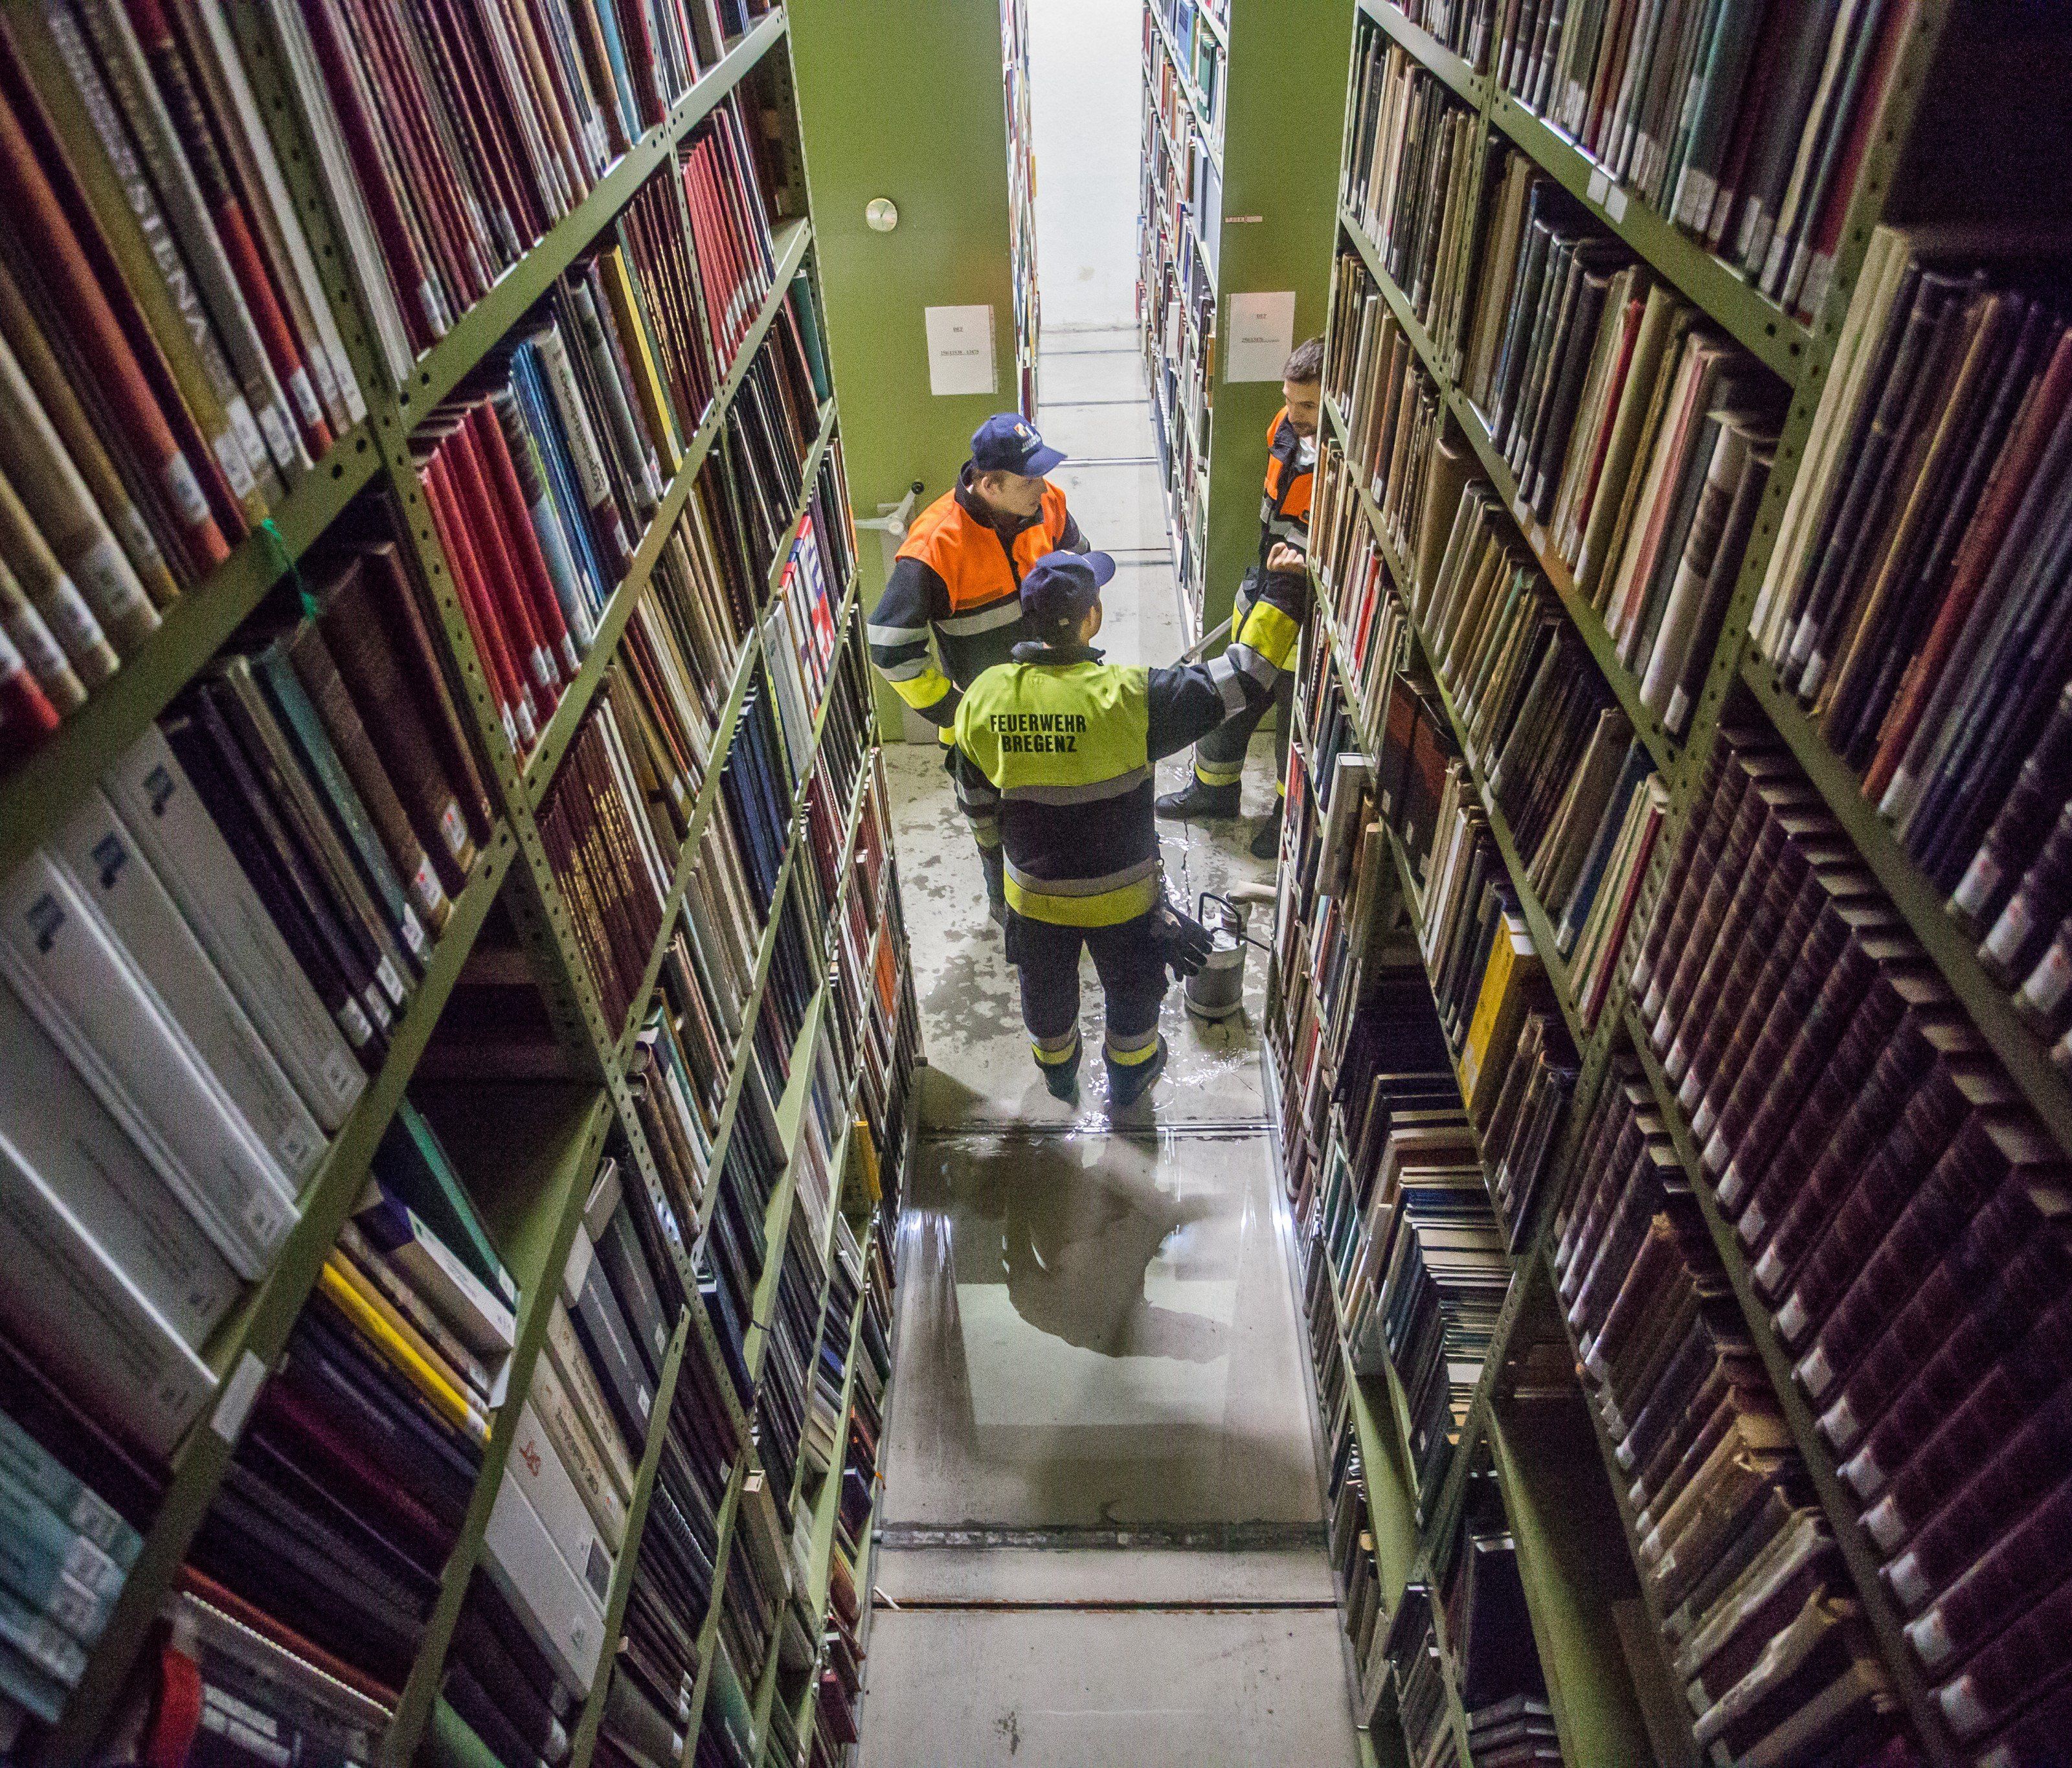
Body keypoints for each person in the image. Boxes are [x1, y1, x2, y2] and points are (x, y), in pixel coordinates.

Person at [951, 551, 1272, 1110]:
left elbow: (977, 802)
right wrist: (1282, 593)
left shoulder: (984, 698)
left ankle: (1058, 1077)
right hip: (1124, 903)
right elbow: (1247, 676)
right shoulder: (1135, 698)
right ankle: (1130, 1077)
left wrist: (995, 874)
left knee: (1045, 998)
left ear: (1029, 619)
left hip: (1034, 901)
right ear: (1092, 618)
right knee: (1134, 993)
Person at [867, 413, 1092, 926]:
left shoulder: (1047, 505)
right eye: (1029, 478)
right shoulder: (935, 544)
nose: (1044, 487)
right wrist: (955, 708)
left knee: (1054, 803)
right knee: (988, 815)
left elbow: (1081, 570)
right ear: (989, 484)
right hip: (985, 721)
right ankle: (1001, 890)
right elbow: (888, 645)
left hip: (1051, 697)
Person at [1155, 337, 1324, 859]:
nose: (1294, 416)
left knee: (1290, 735)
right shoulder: (1285, 428)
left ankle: (1285, 815)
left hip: (1309, 615)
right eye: (1290, 400)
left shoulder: (1355, 462)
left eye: (1309, 406)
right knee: (1227, 705)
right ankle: (1213, 791)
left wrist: (1312, 562)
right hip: (1265, 593)